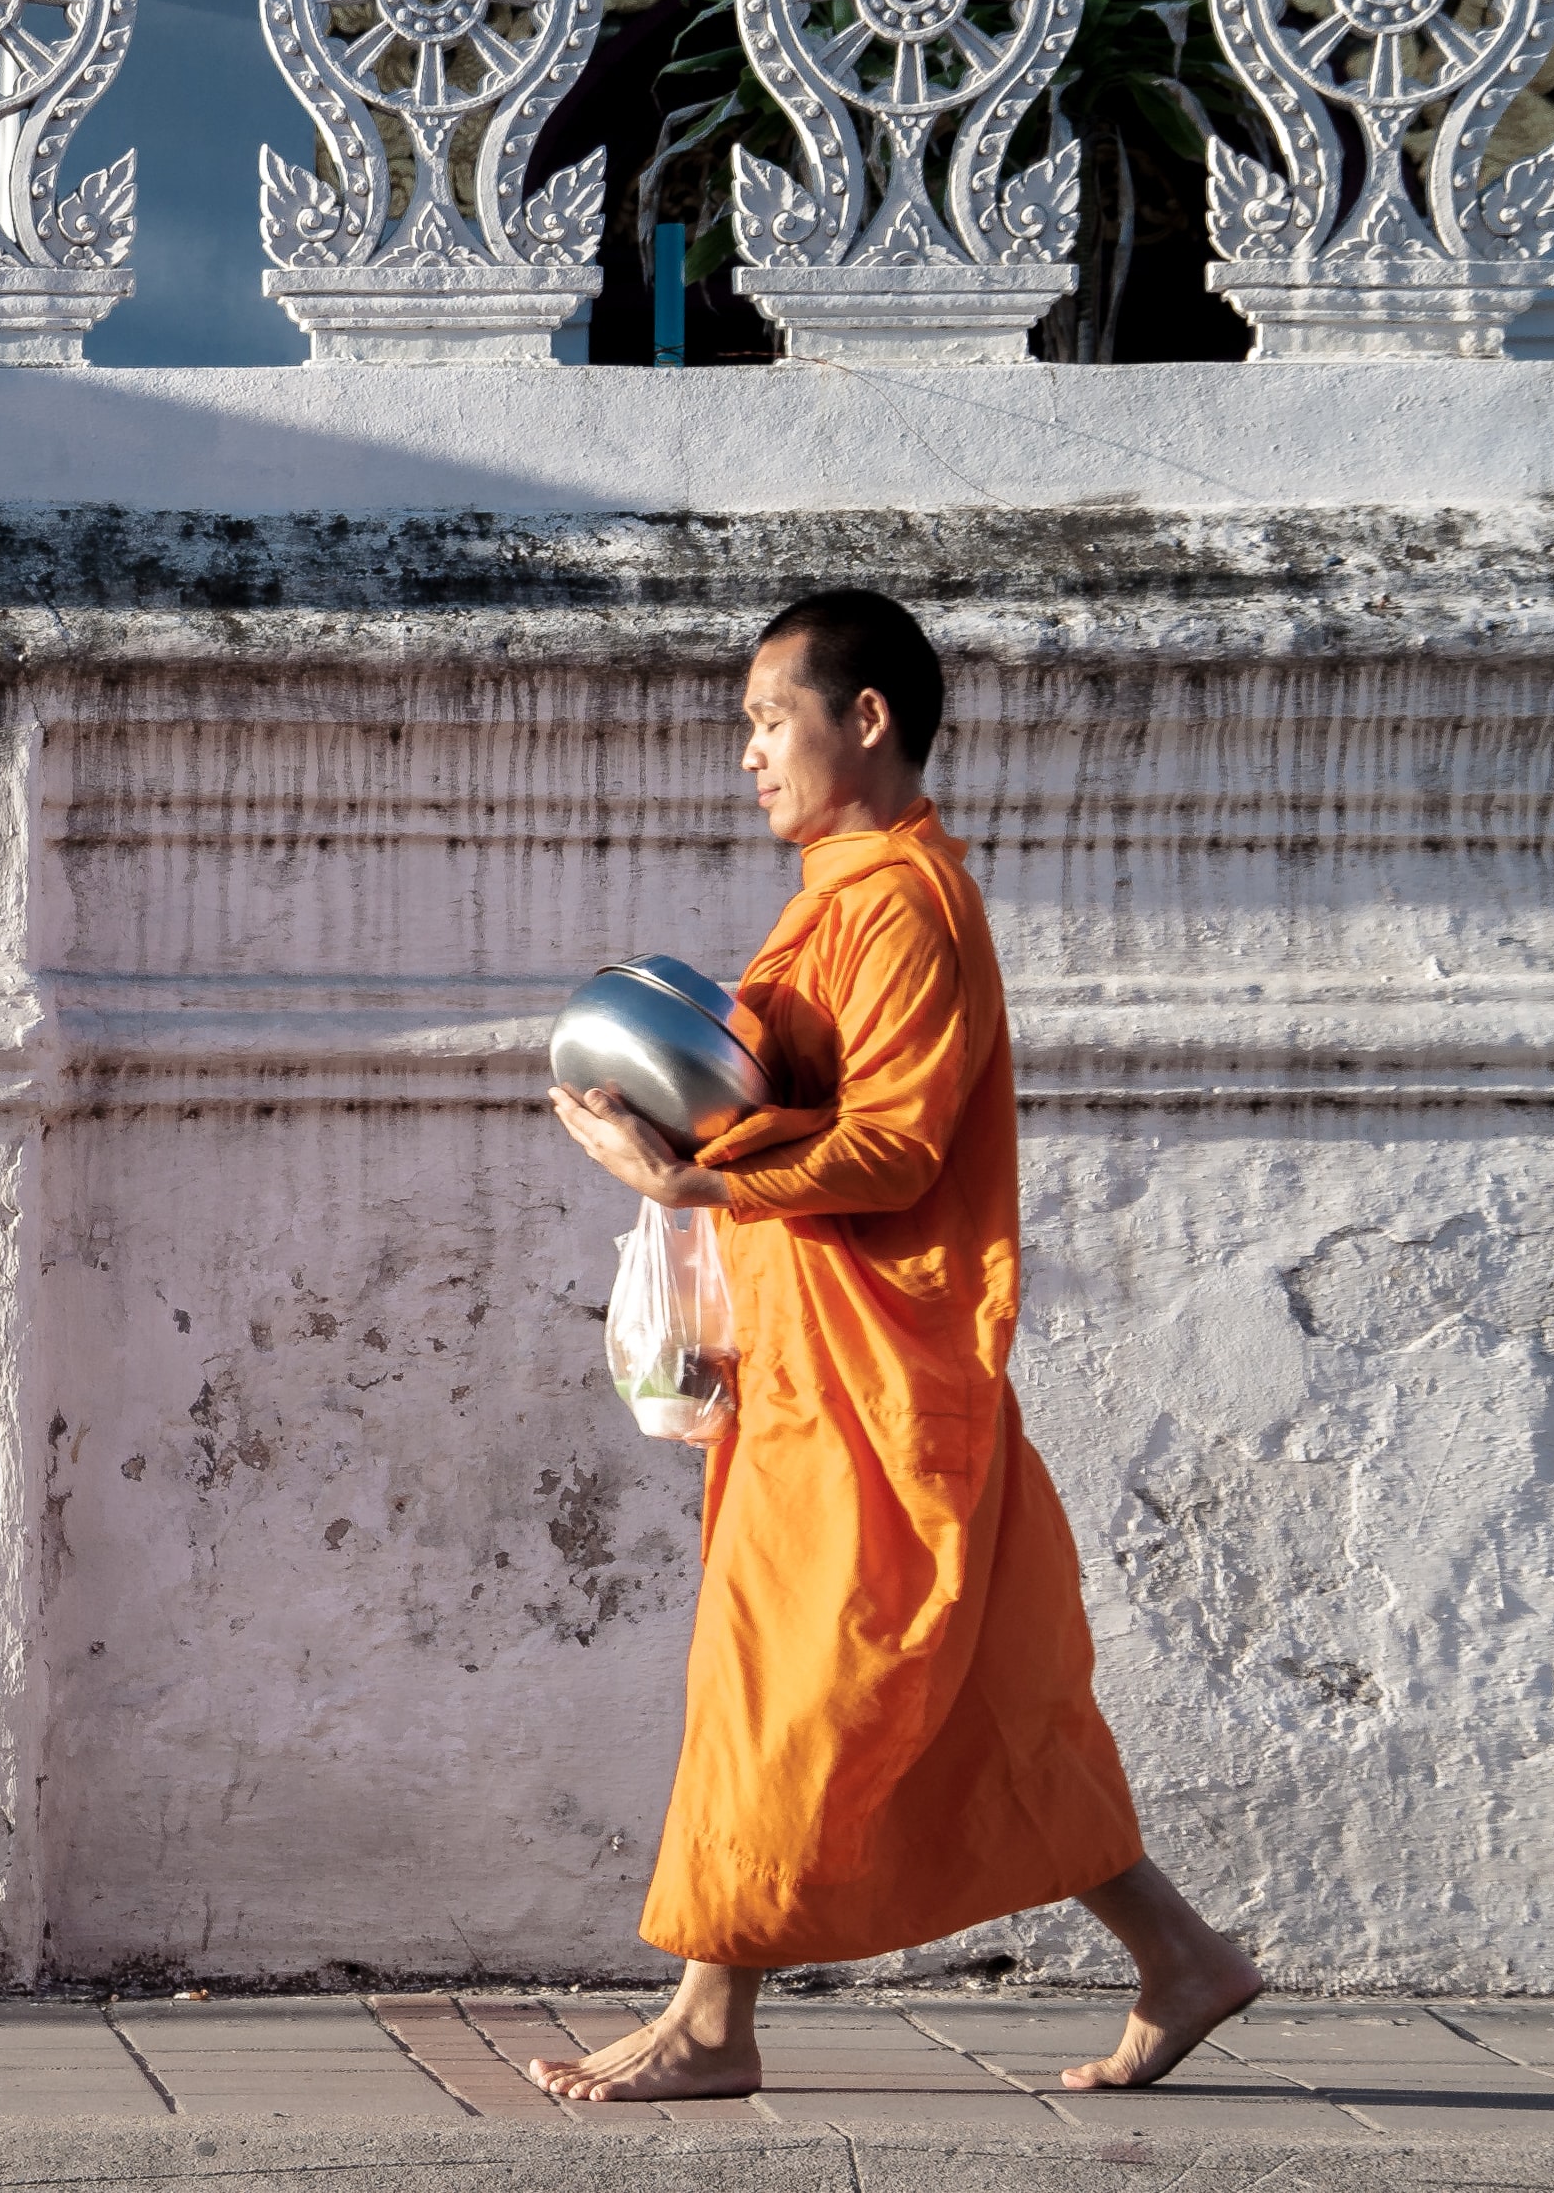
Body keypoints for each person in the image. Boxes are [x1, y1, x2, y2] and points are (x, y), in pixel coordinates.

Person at [535, 588, 1261, 2101]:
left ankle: (708, 2025)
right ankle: (1181, 1959)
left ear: (862, 719)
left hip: (876, 1382)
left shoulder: (899, 904)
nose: (747, 755)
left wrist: (697, 1178)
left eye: (765, 719)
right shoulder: (841, 894)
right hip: (829, 1361)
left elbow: (894, 1151)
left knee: (781, 1684)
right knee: (992, 1703)